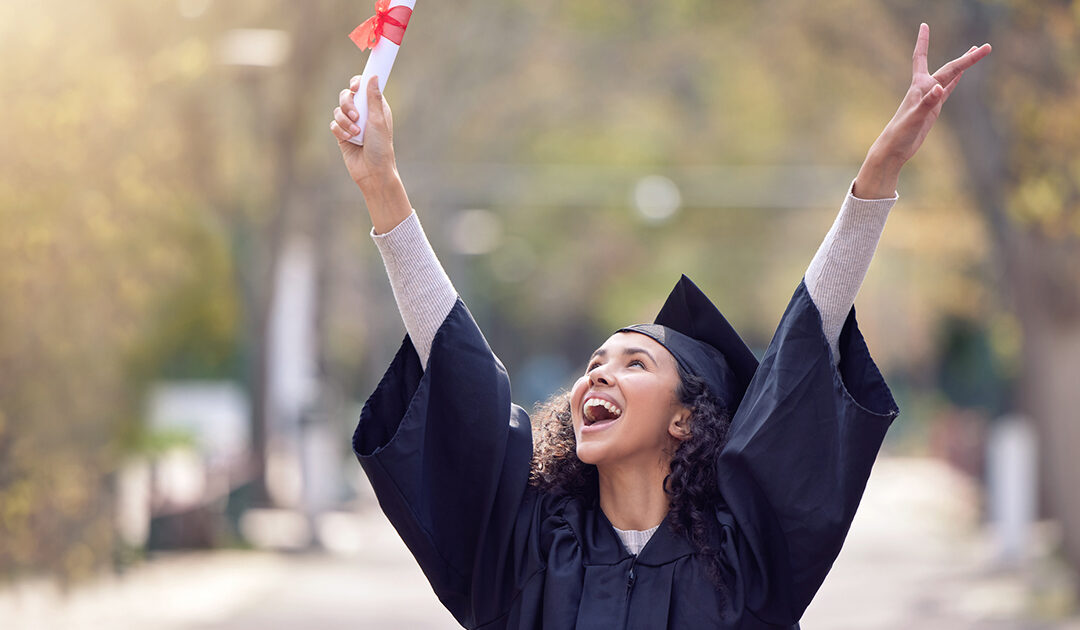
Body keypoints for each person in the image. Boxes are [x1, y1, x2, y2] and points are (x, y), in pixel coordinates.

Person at [331, 23, 990, 629]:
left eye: (634, 364)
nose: (600, 373)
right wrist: (382, 187)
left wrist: (876, 180)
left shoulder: (746, 563)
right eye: (596, 363)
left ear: (685, 420)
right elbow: (459, 371)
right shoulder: (527, 547)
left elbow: (802, 348)